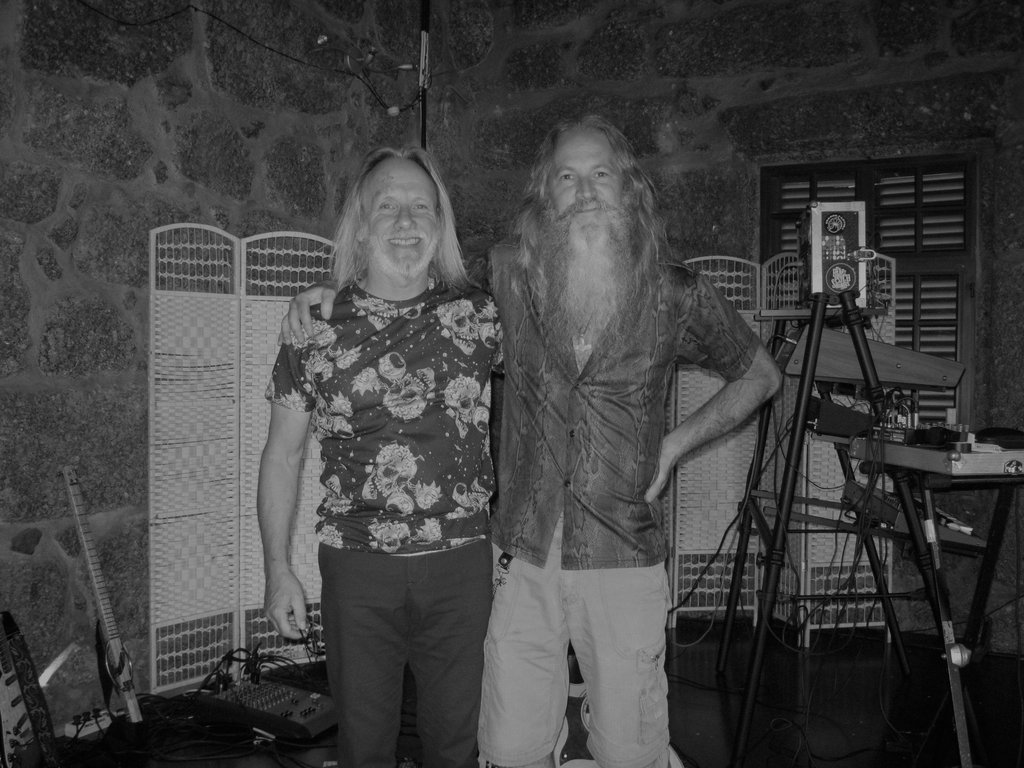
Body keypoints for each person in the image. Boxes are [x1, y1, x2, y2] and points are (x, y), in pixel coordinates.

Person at [282, 115, 781, 768]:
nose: (585, 191)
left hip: (623, 552)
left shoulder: (675, 292)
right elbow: (412, 281)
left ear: (628, 186)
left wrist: (675, 445)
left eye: (600, 174)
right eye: (567, 177)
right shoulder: (506, 277)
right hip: (522, 554)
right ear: (546, 193)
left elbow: (760, 375)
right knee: (510, 750)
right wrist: (332, 289)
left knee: (631, 753)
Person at [258, 145, 501, 768]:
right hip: (358, 570)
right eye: (387, 205)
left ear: (440, 224)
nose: (406, 220)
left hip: (461, 568)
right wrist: (277, 570)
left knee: (456, 749)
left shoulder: (481, 315)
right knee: (363, 748)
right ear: (360, 225)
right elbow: (282, 456)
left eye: (422, 206)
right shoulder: (314, 328)